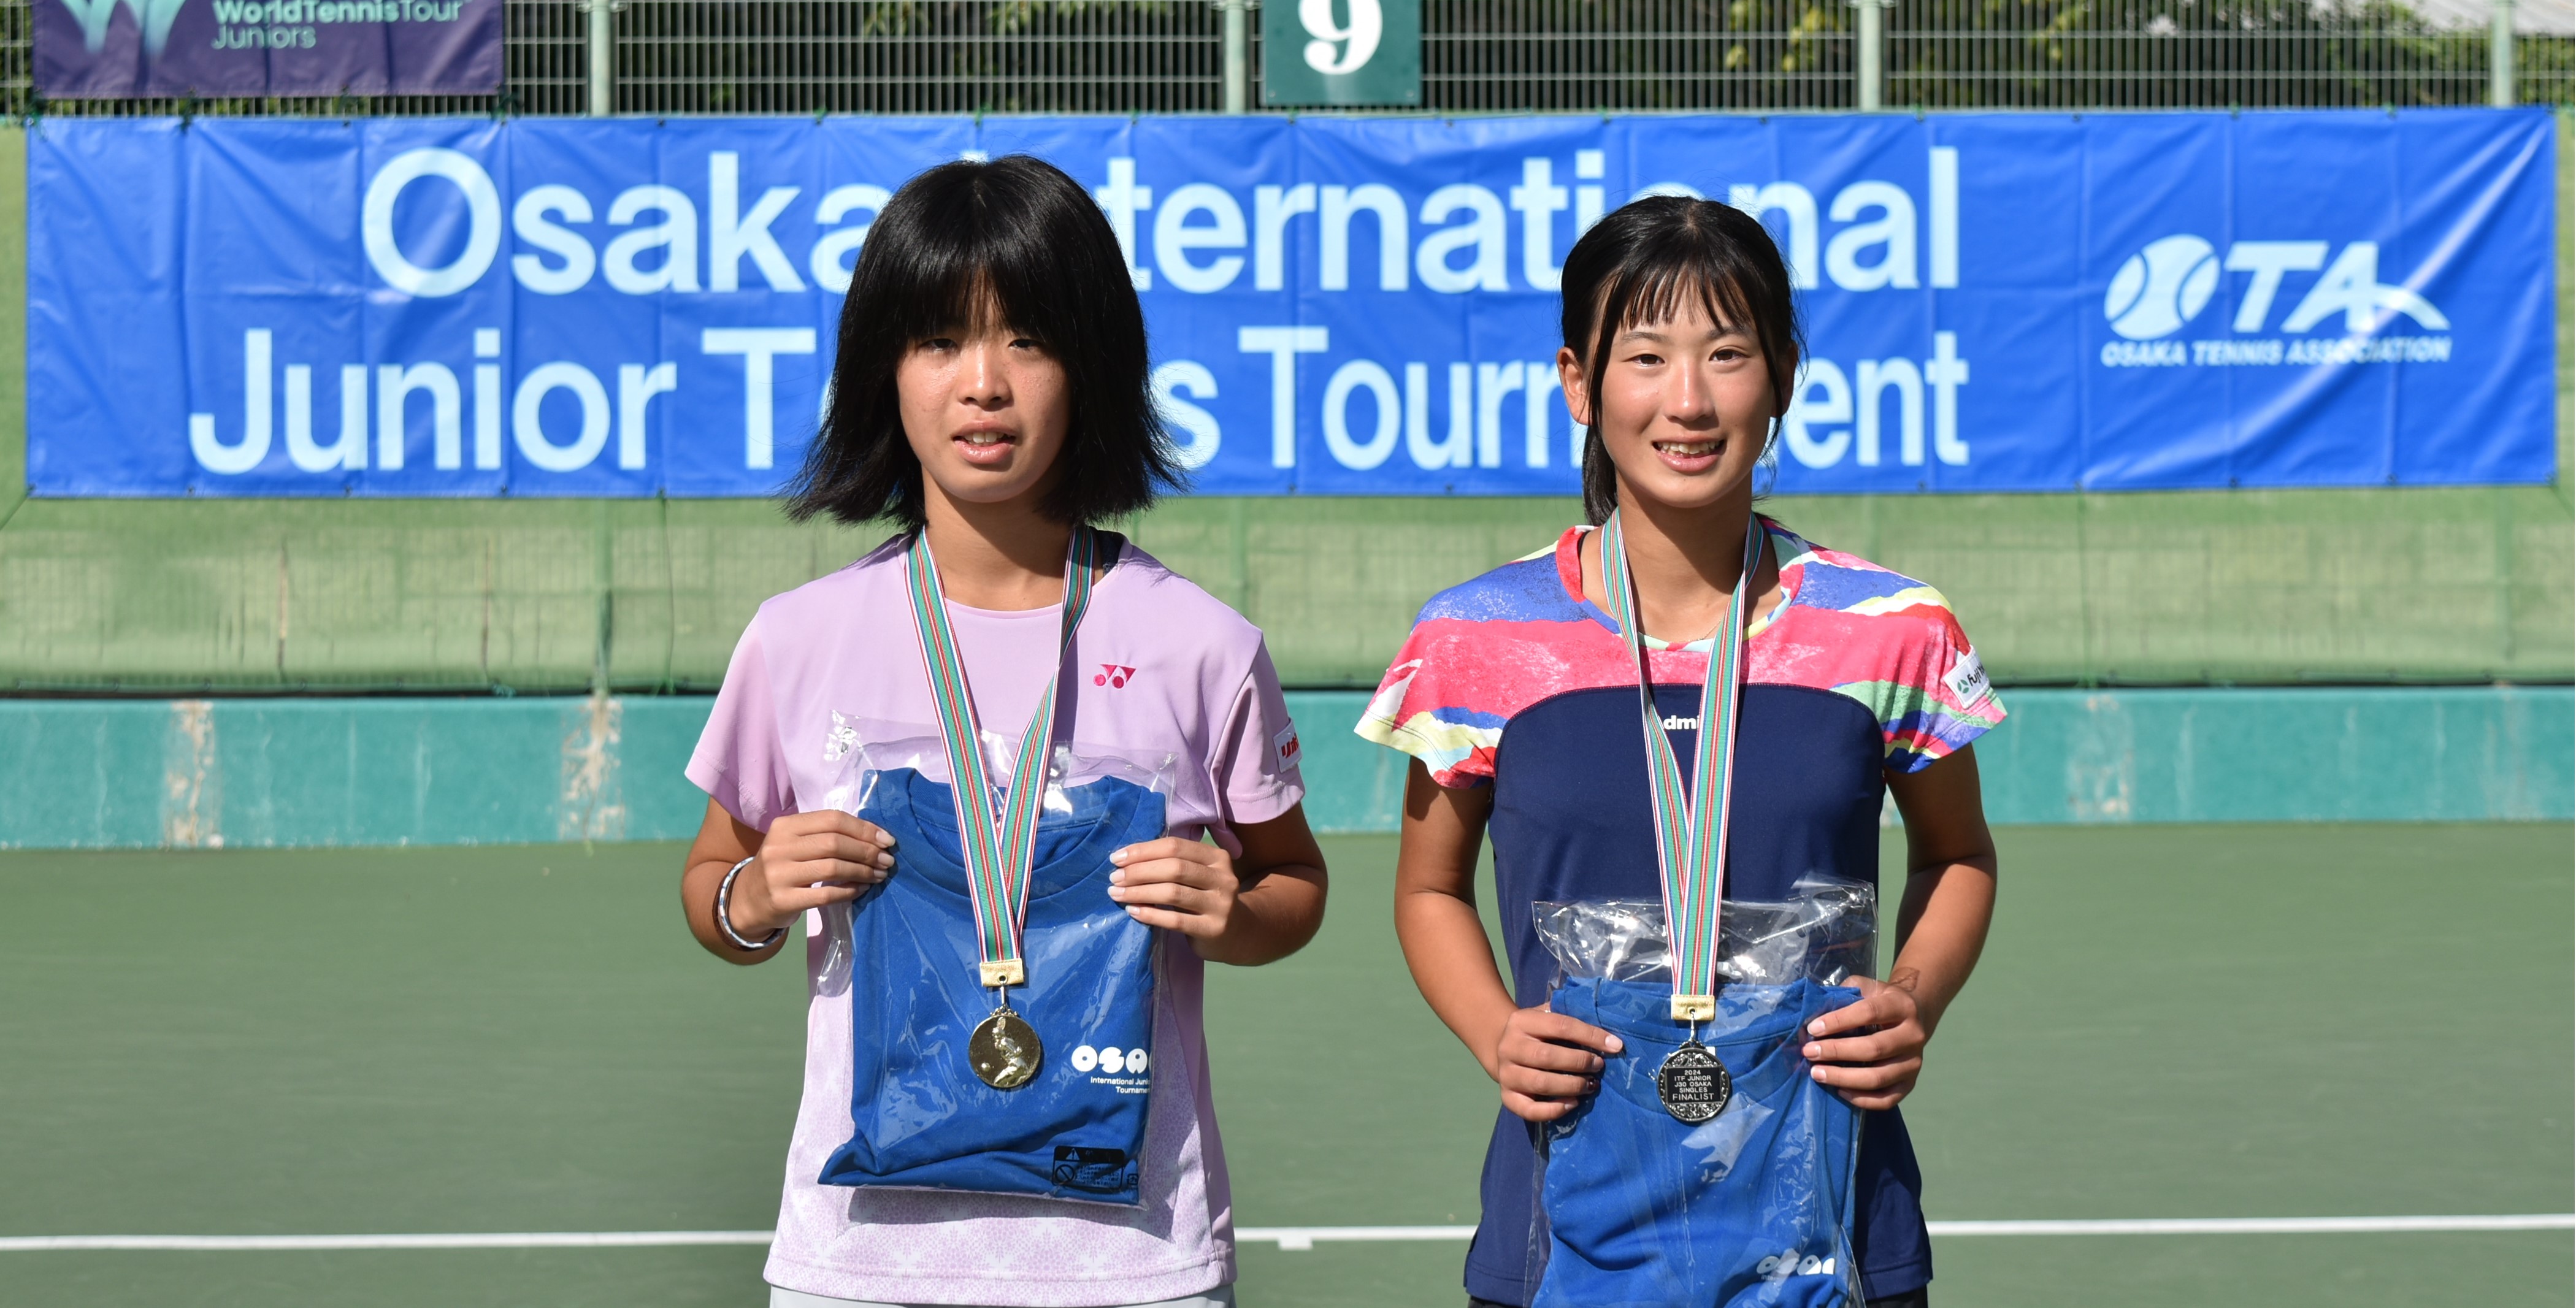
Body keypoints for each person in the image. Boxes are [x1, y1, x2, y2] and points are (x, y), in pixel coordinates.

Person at [680, 154, 1328, 1308]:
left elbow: (1294, 885)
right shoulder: (798, 638)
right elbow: (712, 887)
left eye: (1027, 338)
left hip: (1137, 1261)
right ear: (885, 371)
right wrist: (754, 897)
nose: (984, 384)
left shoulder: (1202, 643)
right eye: (939, 340)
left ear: (1093, 367)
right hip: (860, 1265)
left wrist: (1235, 914)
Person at [1362, 193, 2001, 1307]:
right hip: (1564, 1226)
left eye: (1729, 353)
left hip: (1835, 1225)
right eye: (1646, 355)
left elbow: (1958, 854)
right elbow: (1427, 886)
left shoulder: (1891, 624)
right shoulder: (1477, 637)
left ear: (1784, 376)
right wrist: (1494, 1031)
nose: (1690, 400)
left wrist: (1913, 997)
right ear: (1578, 381)